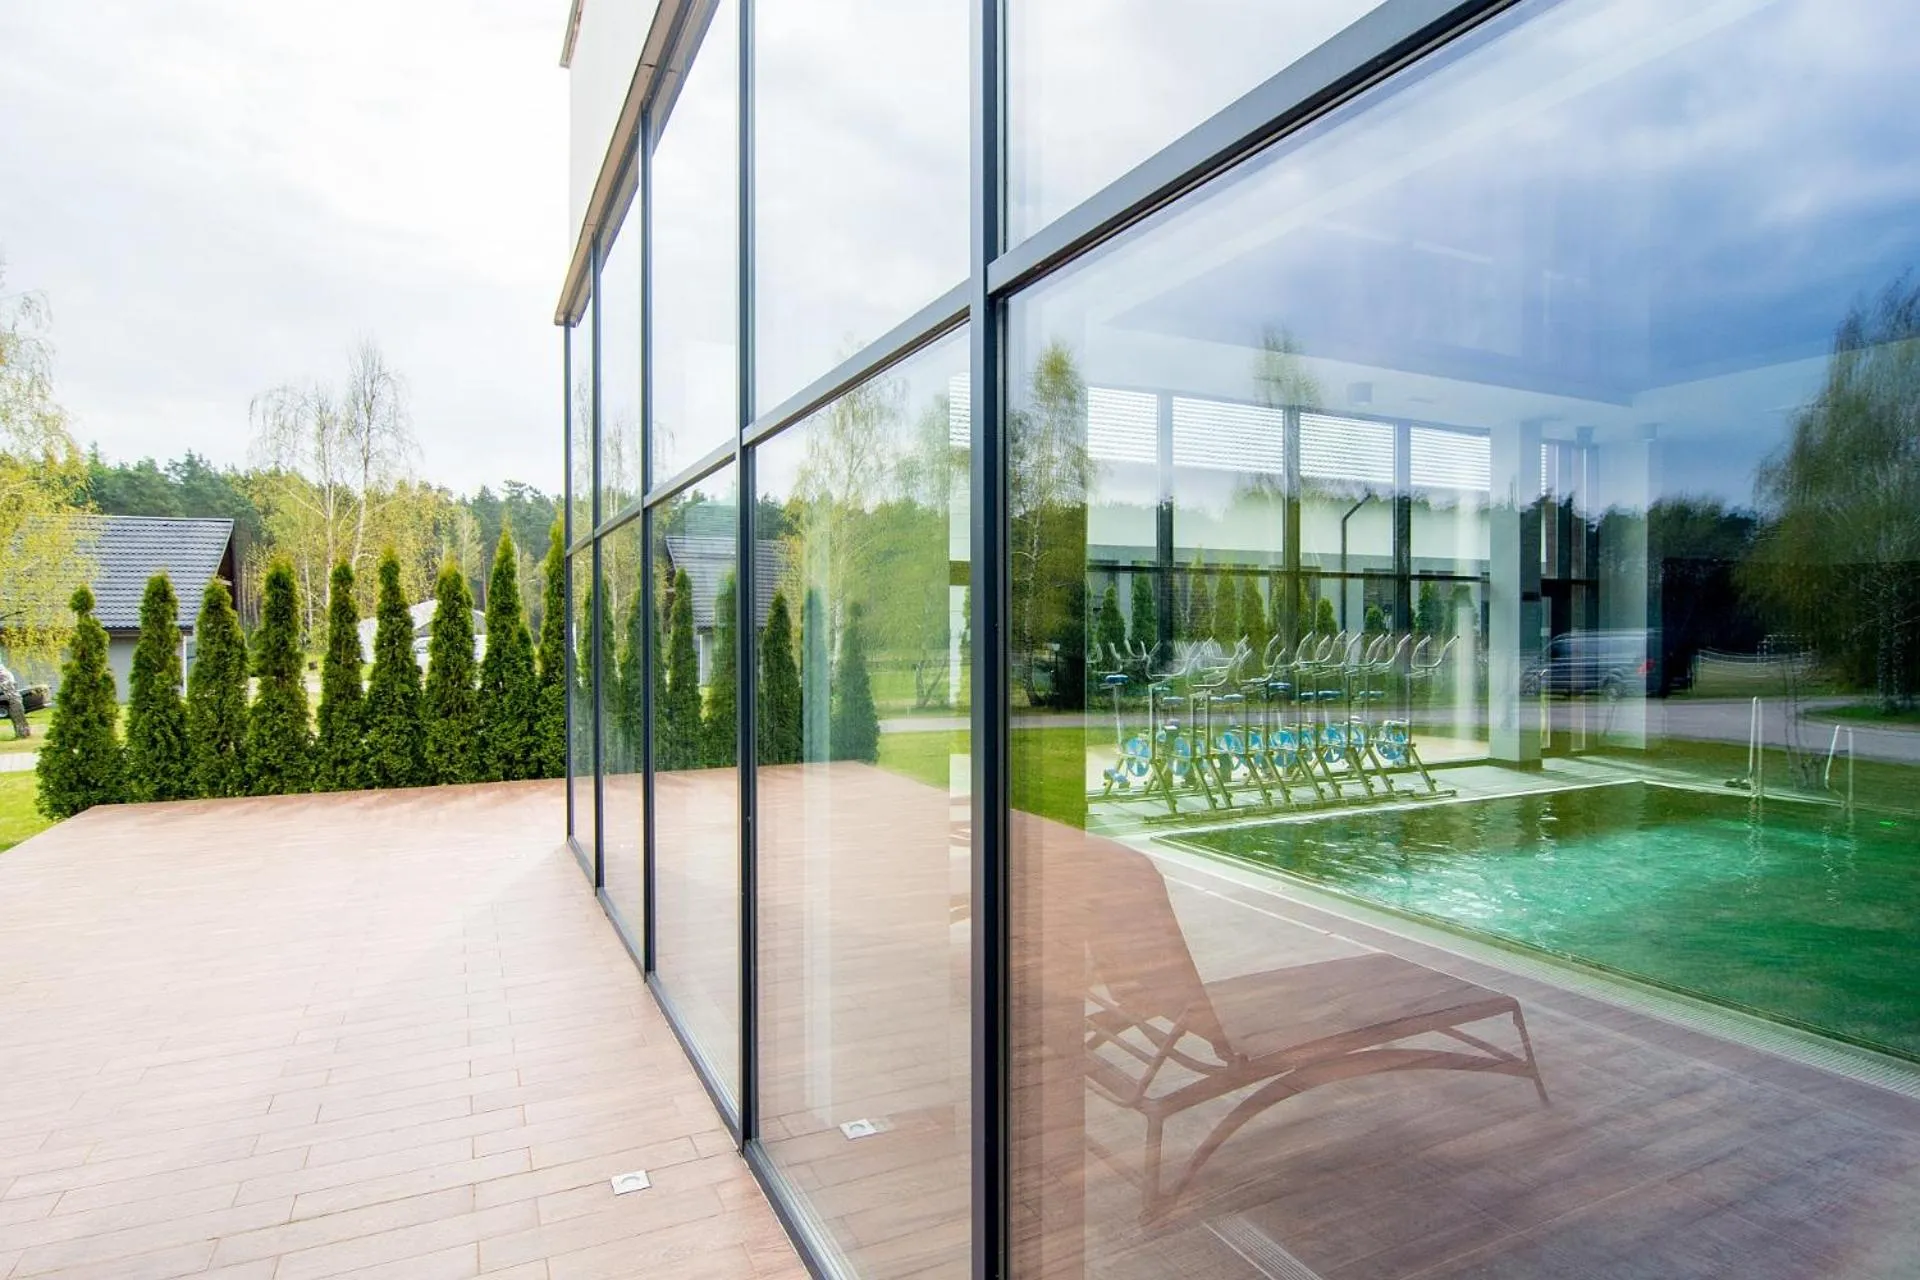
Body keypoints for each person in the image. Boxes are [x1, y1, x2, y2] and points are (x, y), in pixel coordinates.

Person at [0, 660, 29, 739]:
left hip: (5, 680)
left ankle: (23, 732)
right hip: (6, 679)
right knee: (14, 702)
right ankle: (23, 732)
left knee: (14, 703)